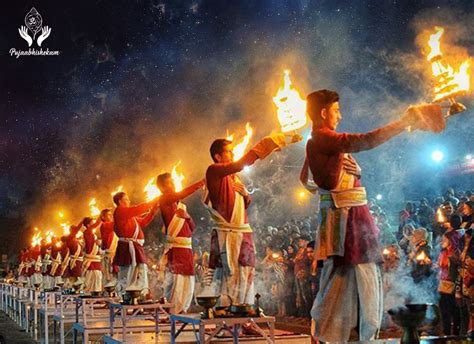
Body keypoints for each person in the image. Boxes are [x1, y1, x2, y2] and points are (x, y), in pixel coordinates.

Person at [301, 89, 442, 342]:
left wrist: (358, 173)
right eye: (336, 110)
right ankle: (350, 336)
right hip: (347, 221)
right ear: (323, 113)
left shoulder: (322, 141)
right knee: (350, 283)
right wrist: (403, 122)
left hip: (350, 218)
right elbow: (366, 140)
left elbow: (339, 178)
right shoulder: (322, 137)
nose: (340, 116)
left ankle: (347, 336)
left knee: (348, 283)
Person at [203, 133, 299, 305]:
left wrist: (245, 193)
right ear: (218, 156)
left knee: (247, 271)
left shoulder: (235, 178)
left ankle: (244, 313)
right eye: (229, 152)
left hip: (243, 232)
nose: (233, 155)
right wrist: (270, 142)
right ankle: (228, 316)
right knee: (230, 276)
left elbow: (243, 204)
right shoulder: (213, 171)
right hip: (229, 234)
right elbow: (240, 164)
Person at [156, 173, 204, 313]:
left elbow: (192, 228)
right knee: (176, 280)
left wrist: (187, 217)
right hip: (176, 248)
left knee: (187, 280)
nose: (174, 184)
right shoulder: (164, 199)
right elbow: (182, 193)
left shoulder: (181, 206)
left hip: (187, 248)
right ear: (163, 186)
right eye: (170, 182)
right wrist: (201, 182)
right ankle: (172, 310)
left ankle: (182, 309)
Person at [113, 192, 160, 294]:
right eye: (126, 199)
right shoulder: (119, 211)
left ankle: (141, 294)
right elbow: (137, 209)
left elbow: (143, 222)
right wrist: (152, 202)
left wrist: (153, 211)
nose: (129, 201)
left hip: (135, 247)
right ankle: (124, 296)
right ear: (120, 201)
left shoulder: (130, 217)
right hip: (127, 247)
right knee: (127, 273)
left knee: (140, 271)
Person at [438, 231, 461, 335]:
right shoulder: (443, 253)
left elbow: (456, 273)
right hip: (443, 286)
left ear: (451, 241)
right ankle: (446, 333)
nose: (442, 241)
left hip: (453, 287)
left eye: (445, 239)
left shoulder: (455, 254)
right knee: (444, 312)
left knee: (454, 312)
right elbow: (441, 267)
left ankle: (456, 335)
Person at [82, 217, 103, 293]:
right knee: (92, 277)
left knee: (97, 277)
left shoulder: (91, 233)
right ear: (88, 225)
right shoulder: (87, 232)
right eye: (92, 222)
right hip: (91, 258)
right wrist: (101, 217)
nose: (94, 224)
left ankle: (96, 293)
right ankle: (90, 293)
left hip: (95, 258)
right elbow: (96, 224)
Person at [99, 209, 118, 287]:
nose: (111, 216)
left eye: (111, 215)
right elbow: (116, 224)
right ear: (103, 217)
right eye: (108, 215)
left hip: (116, 254)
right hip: (109, 255)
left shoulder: (112, 227)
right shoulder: (105, 225)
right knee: (109, 277)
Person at [66, 220, 85, 287]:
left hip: (79, 260)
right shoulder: (70, 237)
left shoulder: (75, 238)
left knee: (78, 276)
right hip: (75, 260)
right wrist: (82, 221)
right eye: (74, 229)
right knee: (75, 276)